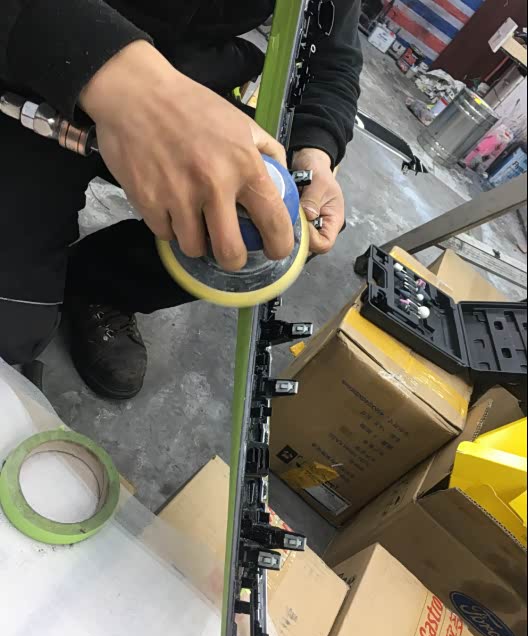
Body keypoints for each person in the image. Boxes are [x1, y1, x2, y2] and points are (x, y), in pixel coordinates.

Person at [0, 0, 363, 399]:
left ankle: (102, 285)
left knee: (280, 219)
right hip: (39, 57)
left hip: (192, 78)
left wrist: (318, 149)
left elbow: (332, 56)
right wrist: (130, 83)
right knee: (11, 329)